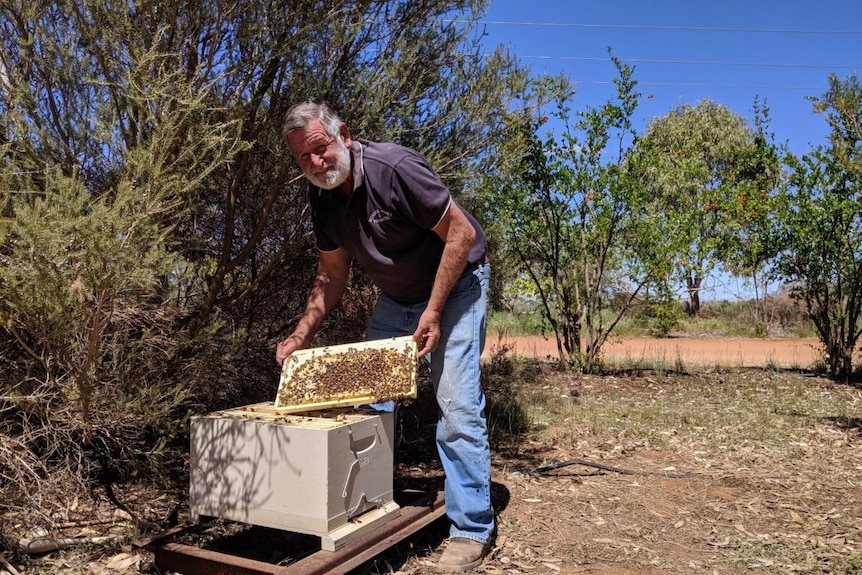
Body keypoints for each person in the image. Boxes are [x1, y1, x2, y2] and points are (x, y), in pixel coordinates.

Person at [275, 98, 494, 572]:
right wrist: (299, 336)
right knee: (369, 405)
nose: (316, 163)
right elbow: (331, 274)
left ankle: (471, 529)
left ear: (344, 135)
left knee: (455, 403)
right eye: (303, 158)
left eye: (320, 148)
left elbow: (460, 234)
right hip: (398, 299)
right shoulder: (321, 195)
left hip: (456, 287)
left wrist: (434, 311)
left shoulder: (395, 168)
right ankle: (365, 510)